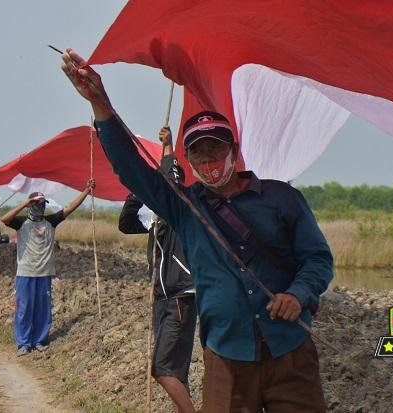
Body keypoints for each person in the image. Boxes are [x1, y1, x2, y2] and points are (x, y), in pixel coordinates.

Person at [62, 49, 333, 412]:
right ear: (188, 161)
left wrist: (298, 294)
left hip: (290, 350)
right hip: (227, 354)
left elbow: (317, 259)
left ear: (234, 152)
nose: (208, 162)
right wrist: (101, 104)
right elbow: (131, 170)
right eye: (199, 155)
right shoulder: (184, 206)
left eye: (215, 151)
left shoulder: (282, 199)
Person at [119, 126, 197, 413]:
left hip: (180, 295)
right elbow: (126, 223)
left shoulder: (183, 209)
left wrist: (168, 150)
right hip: (162, 296)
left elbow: (172, 181)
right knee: (176, 369)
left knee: (162, 368)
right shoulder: (154, 214)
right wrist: (138, 189)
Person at [1, 180, 95, 356]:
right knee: (24, 309)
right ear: (31, 205)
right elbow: (4, 219)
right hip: (26, 272)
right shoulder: (21, 223)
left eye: (43, 205)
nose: (40, 208)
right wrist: (24, 203)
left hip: (44, 273)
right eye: (37, 204)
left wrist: (86, 191)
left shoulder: (51, 221)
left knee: (42, 309)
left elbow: (69, 208)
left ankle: (39, 340)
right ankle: (23, 343)